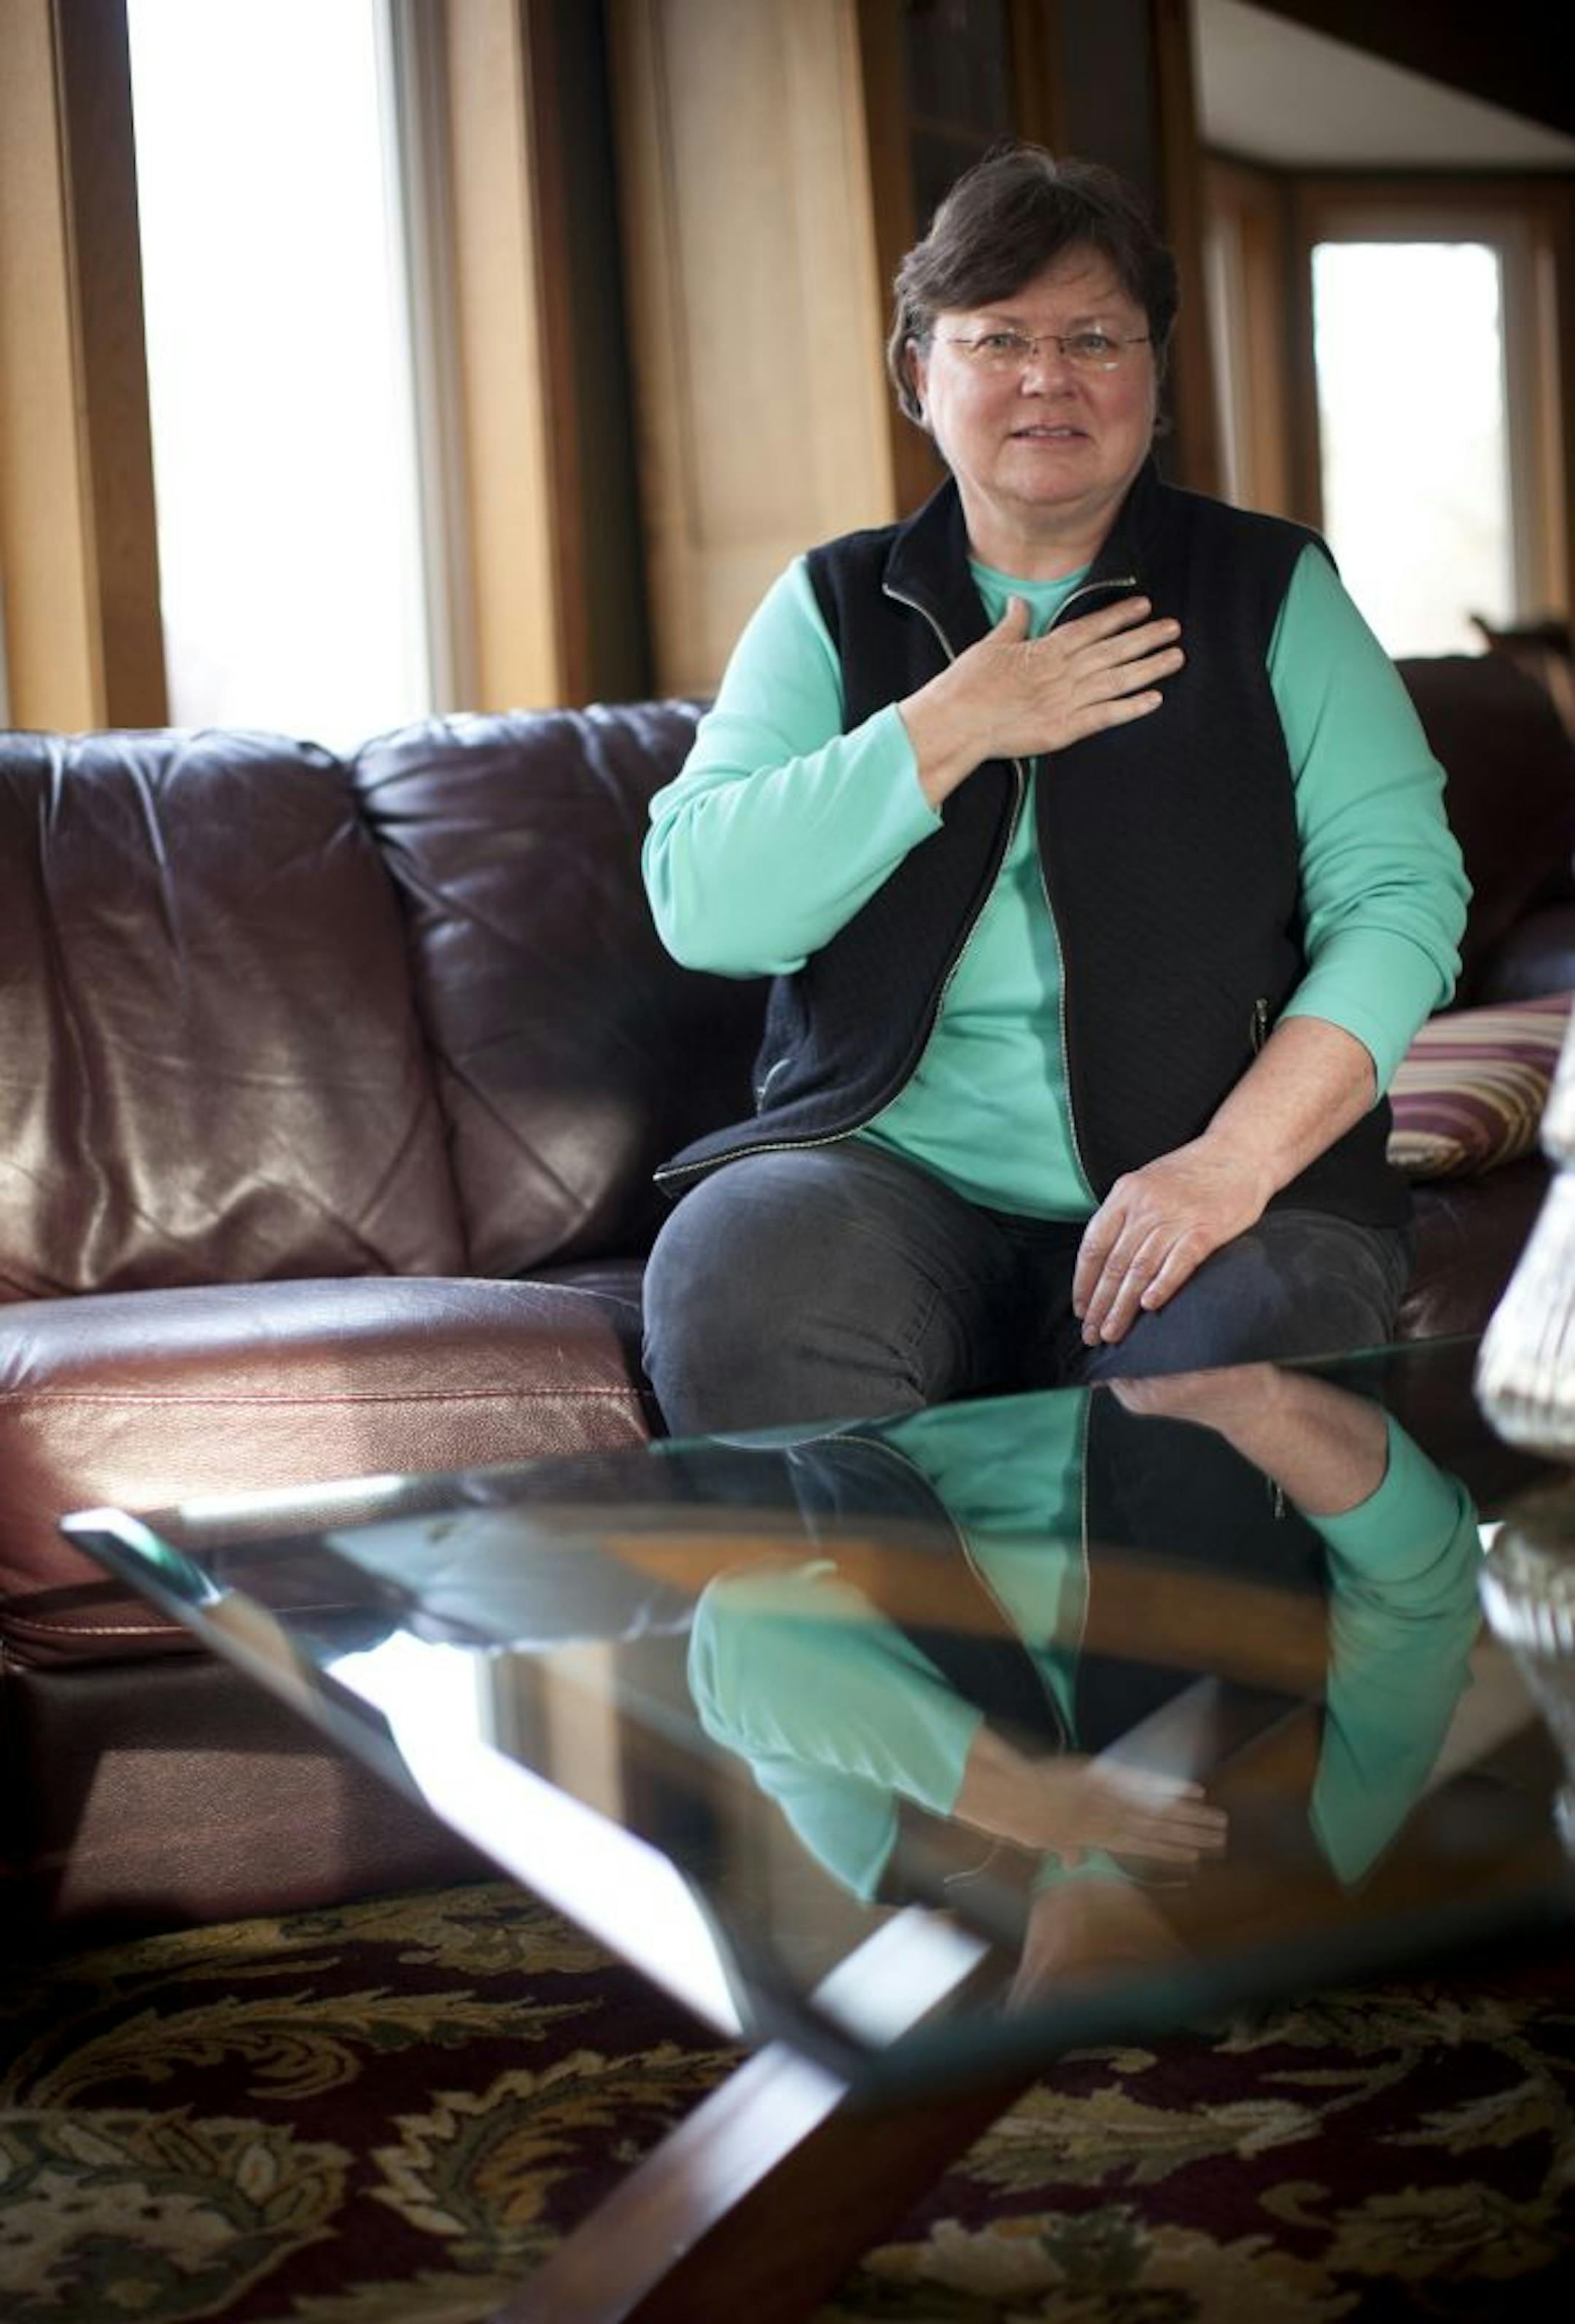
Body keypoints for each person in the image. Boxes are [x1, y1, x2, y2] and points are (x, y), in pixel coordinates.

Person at [640, 147, 1469, 1435]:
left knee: (1251, 1351)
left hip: (1223, 1183)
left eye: (1094, 338)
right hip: (885, 1180)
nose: (1048, 377)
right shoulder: (831, 606)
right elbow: (710, 910)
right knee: (738, 1274)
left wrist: (1233, 1162)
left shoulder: (1273, 591)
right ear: (919, 372)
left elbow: (1401, 900)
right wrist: (953, 723)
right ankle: (899, 1582)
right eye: (997, 338)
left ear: (1154, 376)